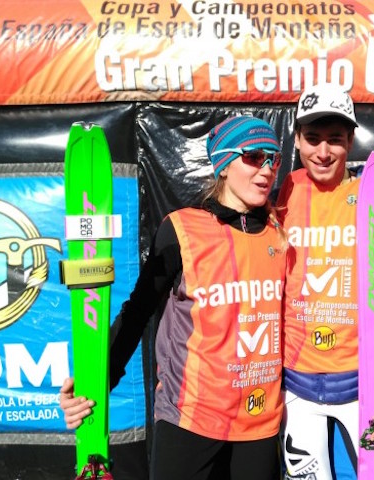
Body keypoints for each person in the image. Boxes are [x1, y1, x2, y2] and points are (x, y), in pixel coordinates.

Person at [60, 116, 287, 480]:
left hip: (258, 422)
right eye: (254, 157)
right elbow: (138, 312)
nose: (266, 169)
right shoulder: (183, 228)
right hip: (191, 417)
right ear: (224, 164)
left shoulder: (281, 233)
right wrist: (94, 382)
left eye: (273, 159)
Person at [277, 84, 374, 480]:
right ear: (297, 139)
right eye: (312, 138)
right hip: (296, 389)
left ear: (351, 139)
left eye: (334, 138)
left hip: (370, 387)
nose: (323, 151)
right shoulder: (281, 196)